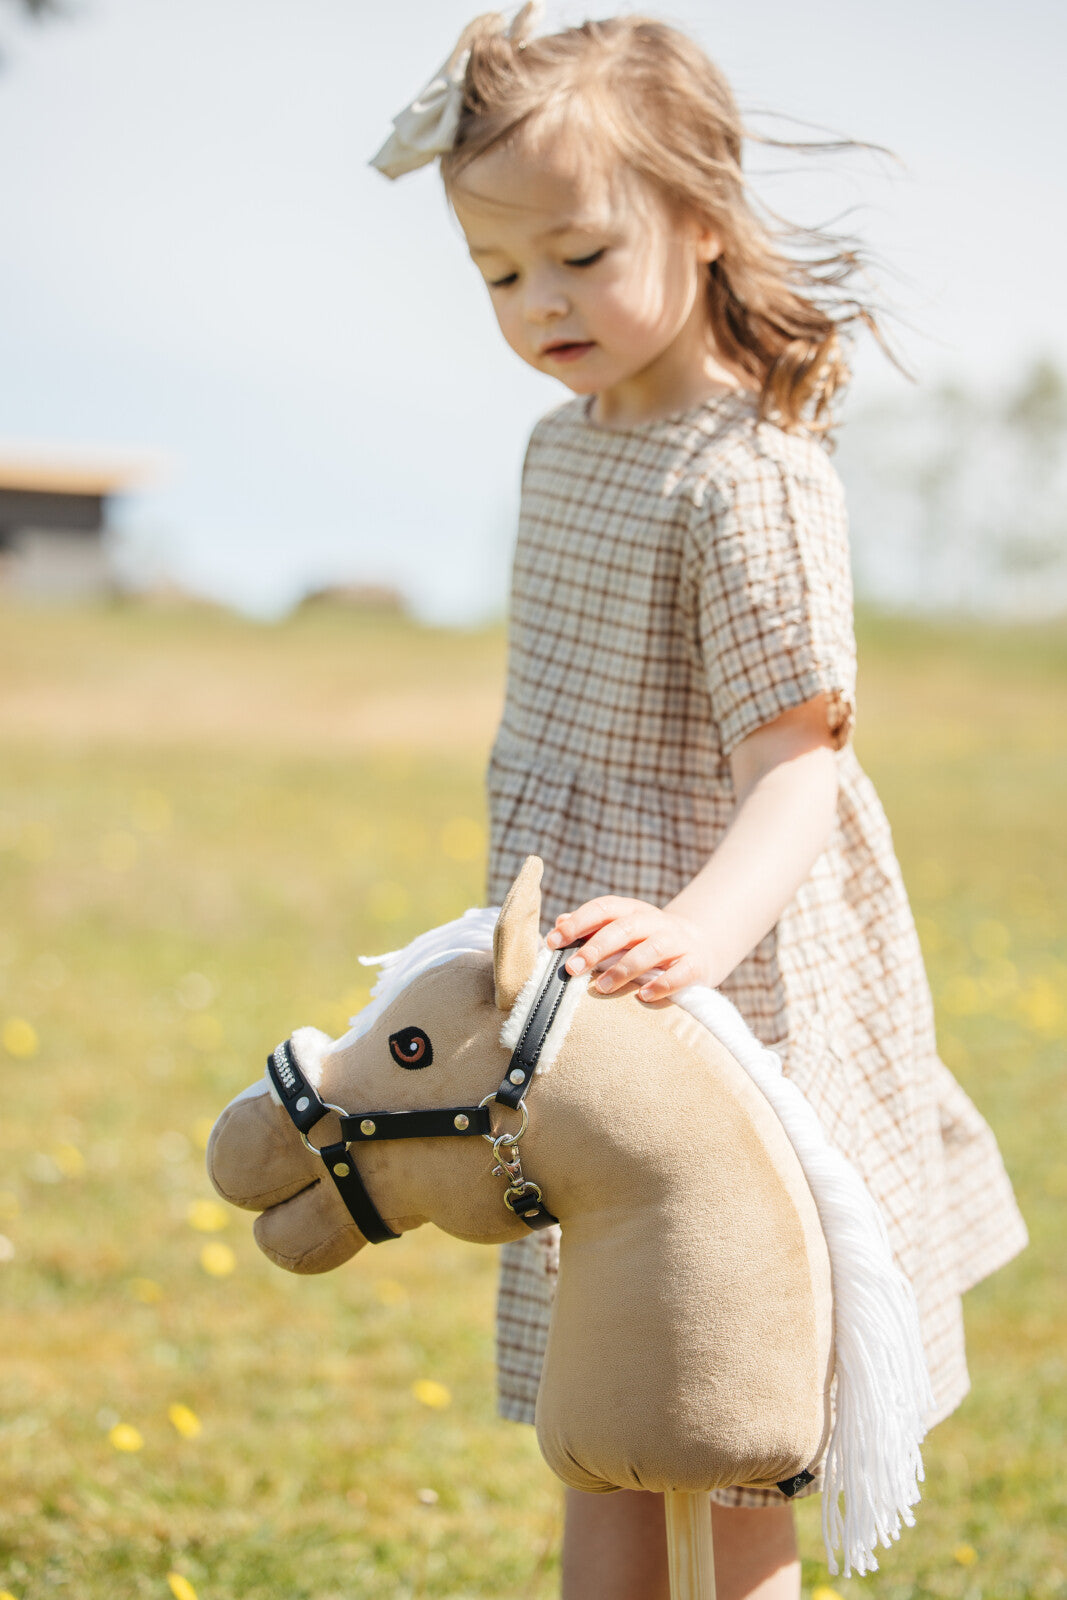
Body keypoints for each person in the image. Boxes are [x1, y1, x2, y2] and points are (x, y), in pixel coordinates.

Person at [370, 7, 1028, 1598]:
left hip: (734, 986)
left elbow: (802, 763)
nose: (541, 305)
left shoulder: (752, 474)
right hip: (579, 996)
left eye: (582, 256)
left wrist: (697, 929)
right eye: (500, 274)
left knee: (725, 1414)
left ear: (701, 222)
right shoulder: (562, 449)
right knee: (604, 1407)